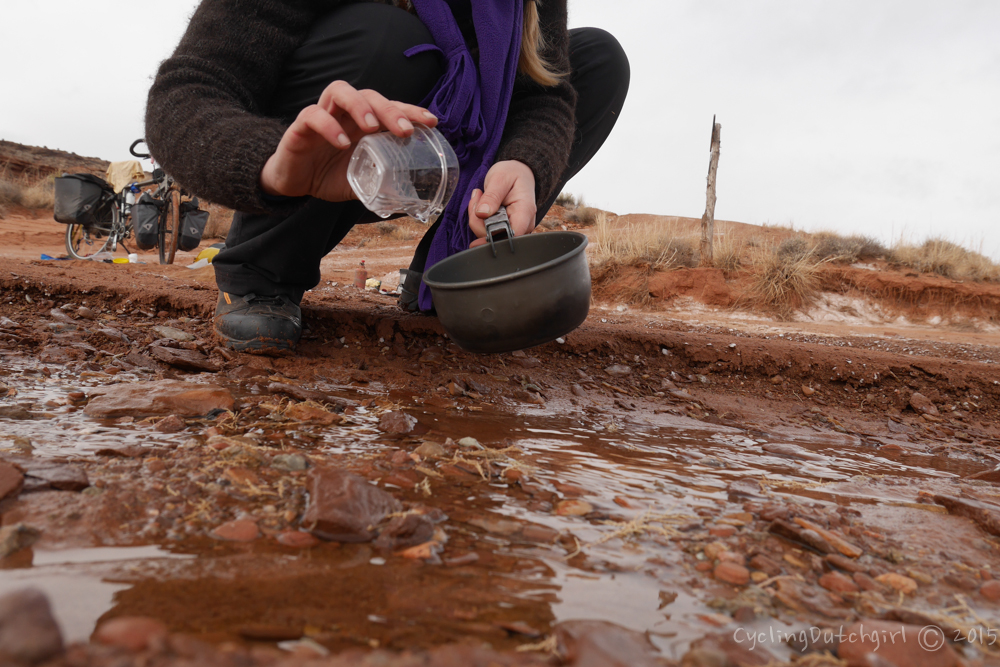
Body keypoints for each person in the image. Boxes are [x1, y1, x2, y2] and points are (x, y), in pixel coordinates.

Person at [145, 0, 629, 353]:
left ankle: (456, 271)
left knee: (598, 58)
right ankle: (264, 268)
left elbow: (545, 98)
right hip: (335, 161)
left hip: (451, 163)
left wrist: (525, 161)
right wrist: (271, 164)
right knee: (392, 39)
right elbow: (188, 91)